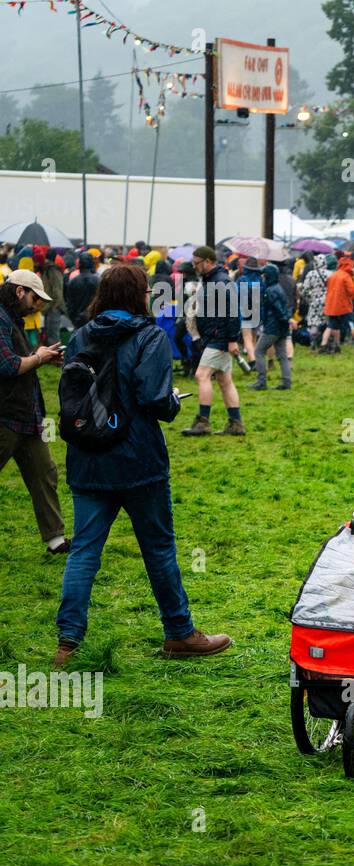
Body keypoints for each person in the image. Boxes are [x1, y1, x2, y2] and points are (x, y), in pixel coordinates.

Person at [54, 265, 232, 667]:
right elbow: (154, 399)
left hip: (88, 459)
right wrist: (171, 401)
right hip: (138, 461)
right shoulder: (149, 336)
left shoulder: (80, 335)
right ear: (140, 294)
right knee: (159, 550)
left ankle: (67, 643)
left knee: (83, 551)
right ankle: (180, 633)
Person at [0, 270, 68, 555]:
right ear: (19, 292)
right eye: (34, 298)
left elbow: (20, 361)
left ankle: (56, 541)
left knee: (44, 473)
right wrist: (38, 357)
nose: (37, 304)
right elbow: (8, 366)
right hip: (4, 416)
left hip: (26, 415)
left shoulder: (12, 320)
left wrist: (43, 359)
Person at [180, 246, 245, 437]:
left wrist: (232, 340)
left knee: (201, 375)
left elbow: (234, 313)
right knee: (225, 381)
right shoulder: (210, 281)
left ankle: (203, 423)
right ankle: (236, 424)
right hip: (215, 337)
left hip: (221, 338)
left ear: (208, 261)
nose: (194, 266)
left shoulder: (222, 281)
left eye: (197, 263)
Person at [251, 263, 292, 391]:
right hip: (282, 328)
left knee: (258, 351)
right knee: (282, 355)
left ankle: (261, 381)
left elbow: (278, 309)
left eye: (264, 275)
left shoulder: (270, 290)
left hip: (272, 327)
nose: (262, 277)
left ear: (268, 276)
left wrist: (284, 319)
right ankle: (286, 381)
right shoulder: (278, 287)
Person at [321, 255, 354, 353]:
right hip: (343, 306)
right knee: (351, 325)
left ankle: (324, 345)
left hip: (331, 306)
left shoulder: (333, 275)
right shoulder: (346, 276)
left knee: (331, 326)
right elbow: (351, 292)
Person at [299, 253, 330, 348]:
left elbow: (304, 290)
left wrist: (310, 298)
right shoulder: (330, 274)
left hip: (315, 302)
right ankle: (327, 343)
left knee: (314, 322)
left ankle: (313, 344)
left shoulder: (311, 274)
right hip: (328, 301)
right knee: (329, 323)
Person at [64, 253, 100, 329]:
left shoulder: (73, 282)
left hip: (78, 320)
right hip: (94, 319)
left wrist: (74, 319)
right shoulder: (98, 280)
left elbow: (69, 304)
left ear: (79, 264)